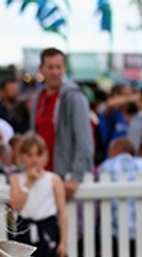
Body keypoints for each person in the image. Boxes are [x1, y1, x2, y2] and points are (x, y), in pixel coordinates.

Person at [10, 134, 72, 257]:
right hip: (25, 227)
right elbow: (16, 205)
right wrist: (28, 183)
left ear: (45, 156)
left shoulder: (53, 179)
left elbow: (62, 212)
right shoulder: (17, 180)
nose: (33, 160)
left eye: (37, 155)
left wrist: (63, 243)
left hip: (47, 227)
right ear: (21, 157)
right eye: (28, 155)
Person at [30, 47, 94, 198]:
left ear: (64, 68)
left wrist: (75, 176)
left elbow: (84, 140)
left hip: (66, 179)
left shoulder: (74, 97)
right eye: (50, 67)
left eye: (58, 67)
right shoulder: (38, 97)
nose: (55, 72)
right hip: (42, 177)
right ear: (41, 69)